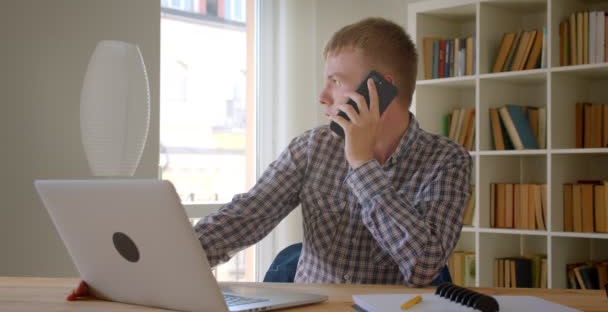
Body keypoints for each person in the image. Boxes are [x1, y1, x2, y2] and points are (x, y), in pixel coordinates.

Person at [68, 17, 471, 300]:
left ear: (381, 89)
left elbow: (422, 265)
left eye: (336, 81)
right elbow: (243, 219)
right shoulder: (312, 148)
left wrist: (361, 163)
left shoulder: (447, 161)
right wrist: (133, 273)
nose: (323, 97)